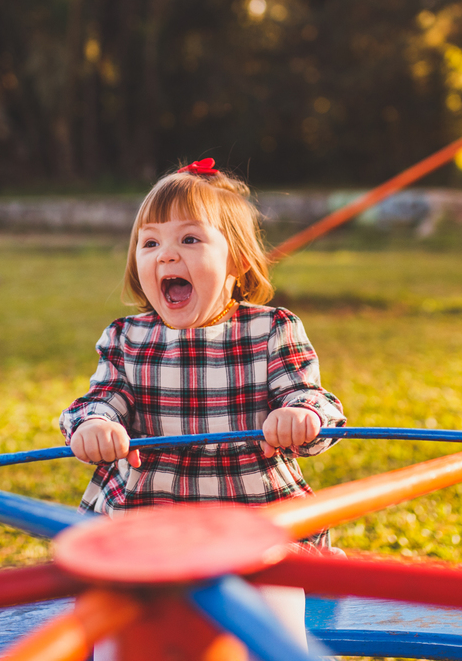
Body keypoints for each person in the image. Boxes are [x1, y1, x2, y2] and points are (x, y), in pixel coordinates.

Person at [59, 158, 346, 651]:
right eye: (150, 243)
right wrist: (95, 424)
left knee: (271, 626)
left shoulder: (271, 329)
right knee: (115, 633)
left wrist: (302, 414)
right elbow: (101, 399)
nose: (166, 255)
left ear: (237, 262)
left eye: (190, 240)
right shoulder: (127, 338)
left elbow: (311, 396)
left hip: (254, 520)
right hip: (148, 520)